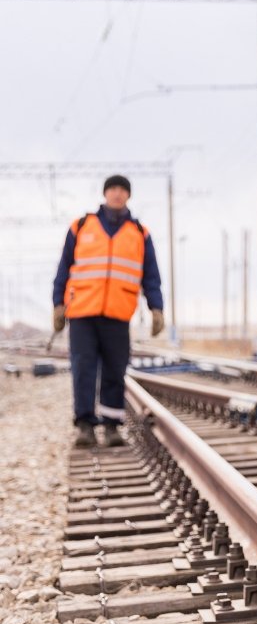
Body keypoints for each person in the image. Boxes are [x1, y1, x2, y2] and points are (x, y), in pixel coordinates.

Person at [53, 175, 164, 449]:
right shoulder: (81, 227)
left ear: (128, 196)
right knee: (83, 369)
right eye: (113, 189)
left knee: (115, 369)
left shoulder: (140, 233)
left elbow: (151, 274)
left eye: (122, 190)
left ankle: (112, 426)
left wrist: (156, 307)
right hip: (82, 312)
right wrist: (58, 303)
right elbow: (64, 268)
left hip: (118, 311)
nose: (117, 194)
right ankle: (85, 426)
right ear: (105, 194)